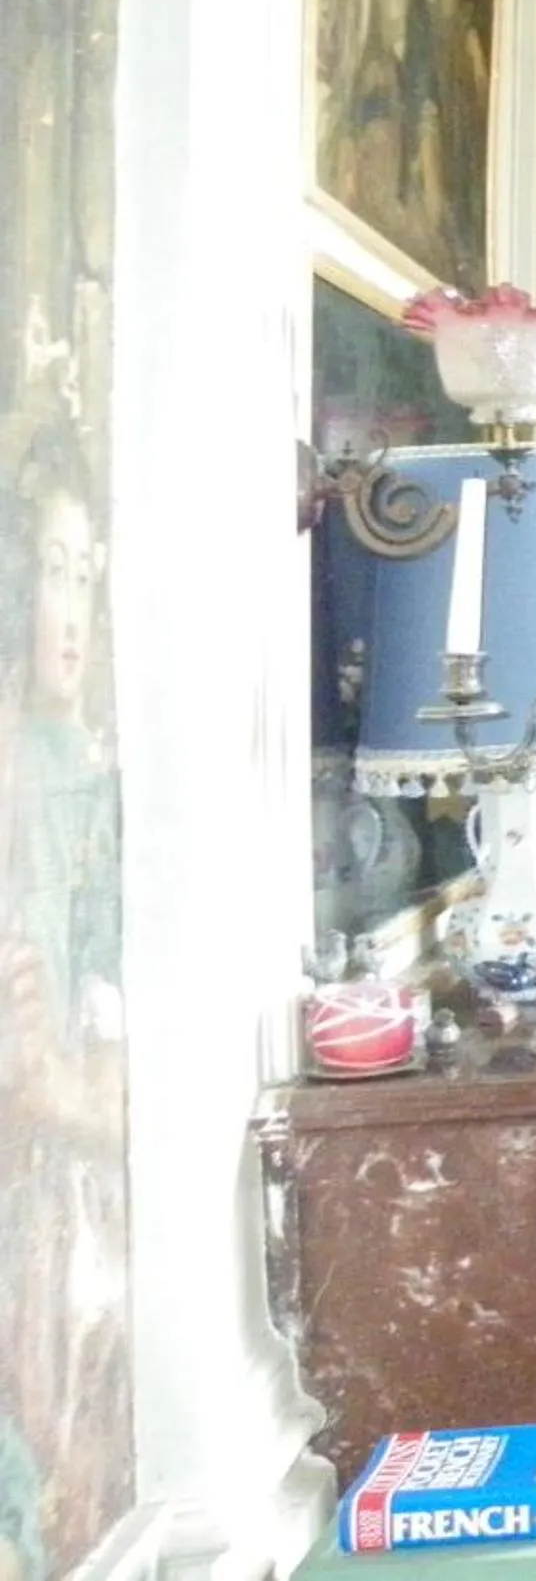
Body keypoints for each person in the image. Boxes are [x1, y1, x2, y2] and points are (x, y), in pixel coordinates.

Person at [0, 425, 129, 1575]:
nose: (73, 610)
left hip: (62, 1187)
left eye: (88, 574)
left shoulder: (79, 775)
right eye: (52, 571)